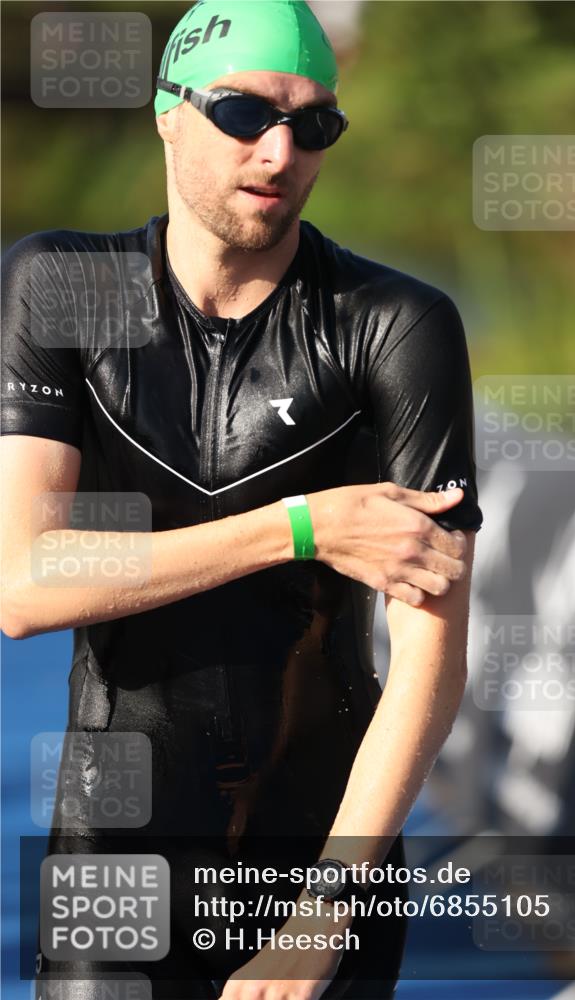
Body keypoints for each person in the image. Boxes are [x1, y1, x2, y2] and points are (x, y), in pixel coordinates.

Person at [1, 2, 483, 998]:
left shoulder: (392, 325)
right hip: (116, 845)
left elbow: (432, 655)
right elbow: (21, 583)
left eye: (313, 124)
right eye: (243, 112)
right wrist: (300, 526)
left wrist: (326, 906)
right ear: (167, 112)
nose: (279, 150)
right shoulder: (61, 286)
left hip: (320, 851)